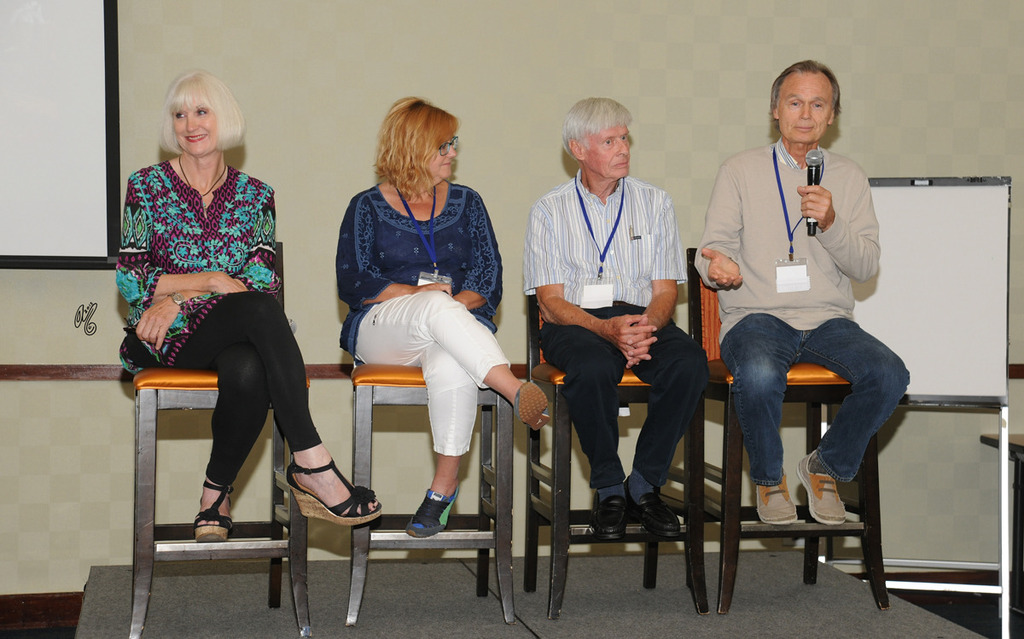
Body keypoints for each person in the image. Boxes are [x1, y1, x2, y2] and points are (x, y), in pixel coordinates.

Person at [117, 70, 380, 542]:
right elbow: (132, 281)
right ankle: (312, 462)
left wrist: (178, 295)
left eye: (201, 111)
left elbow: (260, 283)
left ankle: (213, 499)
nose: (189, 124)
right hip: (162, 339)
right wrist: (209, 281)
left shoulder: (256, 195)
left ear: (225, 119)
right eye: (179, 114)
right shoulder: (146, 187)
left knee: (248, 369)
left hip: (229, 332)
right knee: (259, 311)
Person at [695, 60, 909, 526]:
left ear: (832, 116)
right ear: (776, 110)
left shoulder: (849, 177)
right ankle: (769, 482)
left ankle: (824, 466)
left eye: (818, 104)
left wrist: (831, 223)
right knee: (756, 370)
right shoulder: (739, 170)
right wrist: (719, 265)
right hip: (756, 316)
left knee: (891, 374)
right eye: (795, 102)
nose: (806, 113)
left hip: (828, 320)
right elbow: (710, 251)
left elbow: (866, 265)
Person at [336, 97, 548, 538]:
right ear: (413, 148)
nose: (453, 152)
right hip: (383, 332)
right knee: (434, 305)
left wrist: (444, 306)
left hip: (455, 329)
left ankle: (440, 492)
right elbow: (354, 283)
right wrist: (422, 296)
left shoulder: (469, 203)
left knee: (452, 356)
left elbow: (488, 280)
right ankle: (512, 386)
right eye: (443, 145)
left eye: (454, 143)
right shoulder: (365, 206)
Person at [523, 97, 709, 540]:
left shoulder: (655, 202)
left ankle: (643, 485)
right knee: (591, 367)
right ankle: (609, 487)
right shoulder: (549, 210)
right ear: (578, 149)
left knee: (689, 364)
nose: (623, 148)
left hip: (640, 316)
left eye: (625, 138)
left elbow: (666, 291)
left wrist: (644, 326)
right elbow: (549, 301)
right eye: (609, 140)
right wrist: (606, 329)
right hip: (575, 323)